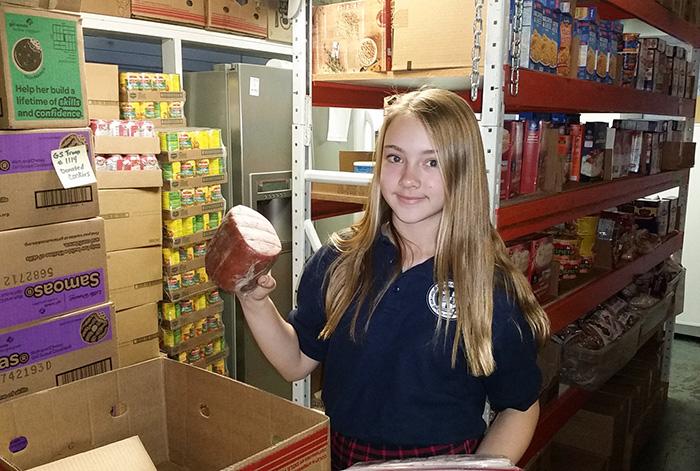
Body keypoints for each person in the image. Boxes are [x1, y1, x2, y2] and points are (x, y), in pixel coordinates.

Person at [234, 88, 550, 470]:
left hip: (444, 462)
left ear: (462, 170)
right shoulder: (338, 262)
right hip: (343, 457)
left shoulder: (489, 288)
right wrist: (254, 302)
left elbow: (518, 406)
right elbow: (296, 361)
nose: (408, 179)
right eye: (395, 158)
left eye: (431, 162)